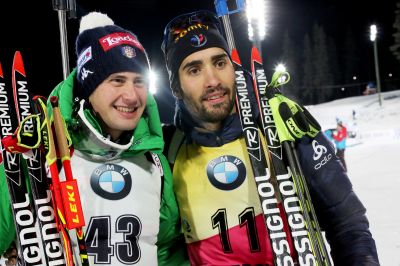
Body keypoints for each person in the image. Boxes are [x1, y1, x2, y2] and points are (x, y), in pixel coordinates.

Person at [161, 10, 380, 265]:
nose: (212, 80)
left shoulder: (282, 123)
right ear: (176, 87)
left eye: (220, 63)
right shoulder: (169, 151)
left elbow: (348, 224)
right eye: (194, 70)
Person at [0, 12, 187, 266]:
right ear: (89, 87)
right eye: (117, 81)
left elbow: (166, 250)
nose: (131, 95)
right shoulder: (37, 155)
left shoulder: (155, 162)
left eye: (139, 81)